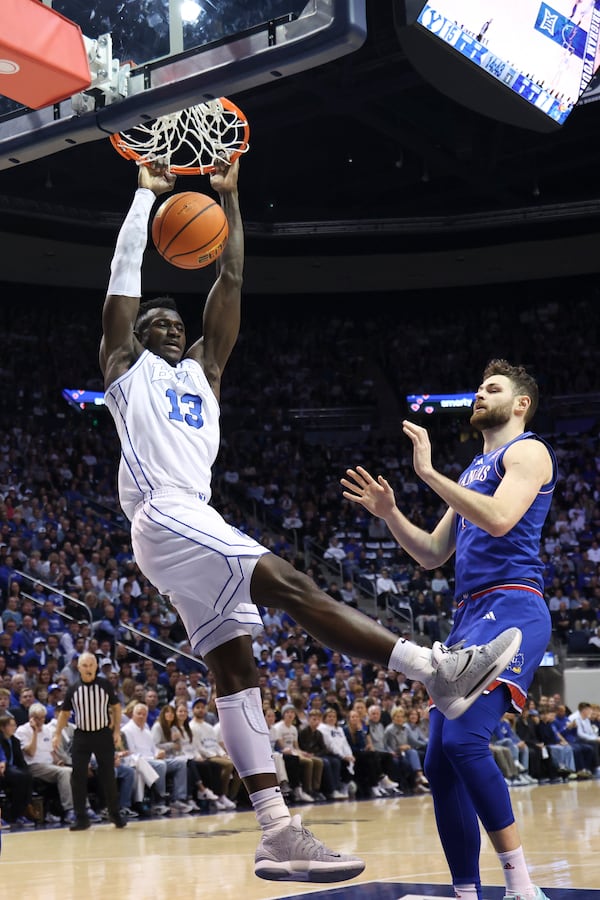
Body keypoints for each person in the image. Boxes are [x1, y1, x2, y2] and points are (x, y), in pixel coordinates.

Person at [99, 158, 518, 883]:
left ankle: (277, 832)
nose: (168, 326)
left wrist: (229, 205)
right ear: (135, 337)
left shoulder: (206, 372)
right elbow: (120, 285)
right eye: (155, 322)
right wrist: (144, 198)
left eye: (175, 322)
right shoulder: (123, 366)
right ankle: (433, 670)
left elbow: (228, 285)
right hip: (167, 515)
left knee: (236, 670)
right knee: (290, 581)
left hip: (188, 521)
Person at [341, 359, 556, 900]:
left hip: (512, 607)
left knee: (464, 741)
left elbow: (502, 519)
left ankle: (521, 886)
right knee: (439, 760)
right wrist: (391, 513)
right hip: (467, 619)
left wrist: (429, 476)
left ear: (521, 403)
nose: (481, 395)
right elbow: (433, 554)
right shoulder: (470, 473)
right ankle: (465, 892)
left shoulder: (527, 451)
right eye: (480, 388)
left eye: (493, 388)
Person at [52, 652, 126, 830]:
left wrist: (116, 730)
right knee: (77, 777)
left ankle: (115, 814)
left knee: (108, 775)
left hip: (102, 734)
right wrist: (57, 734)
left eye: (91, 665)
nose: (88, 668)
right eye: (84, 665)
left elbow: (116, 707)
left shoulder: (105, 685)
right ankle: (81, 818)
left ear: (96, 666)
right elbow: (64, 713)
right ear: (79, 668)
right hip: (82, 736)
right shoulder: (73, 689)